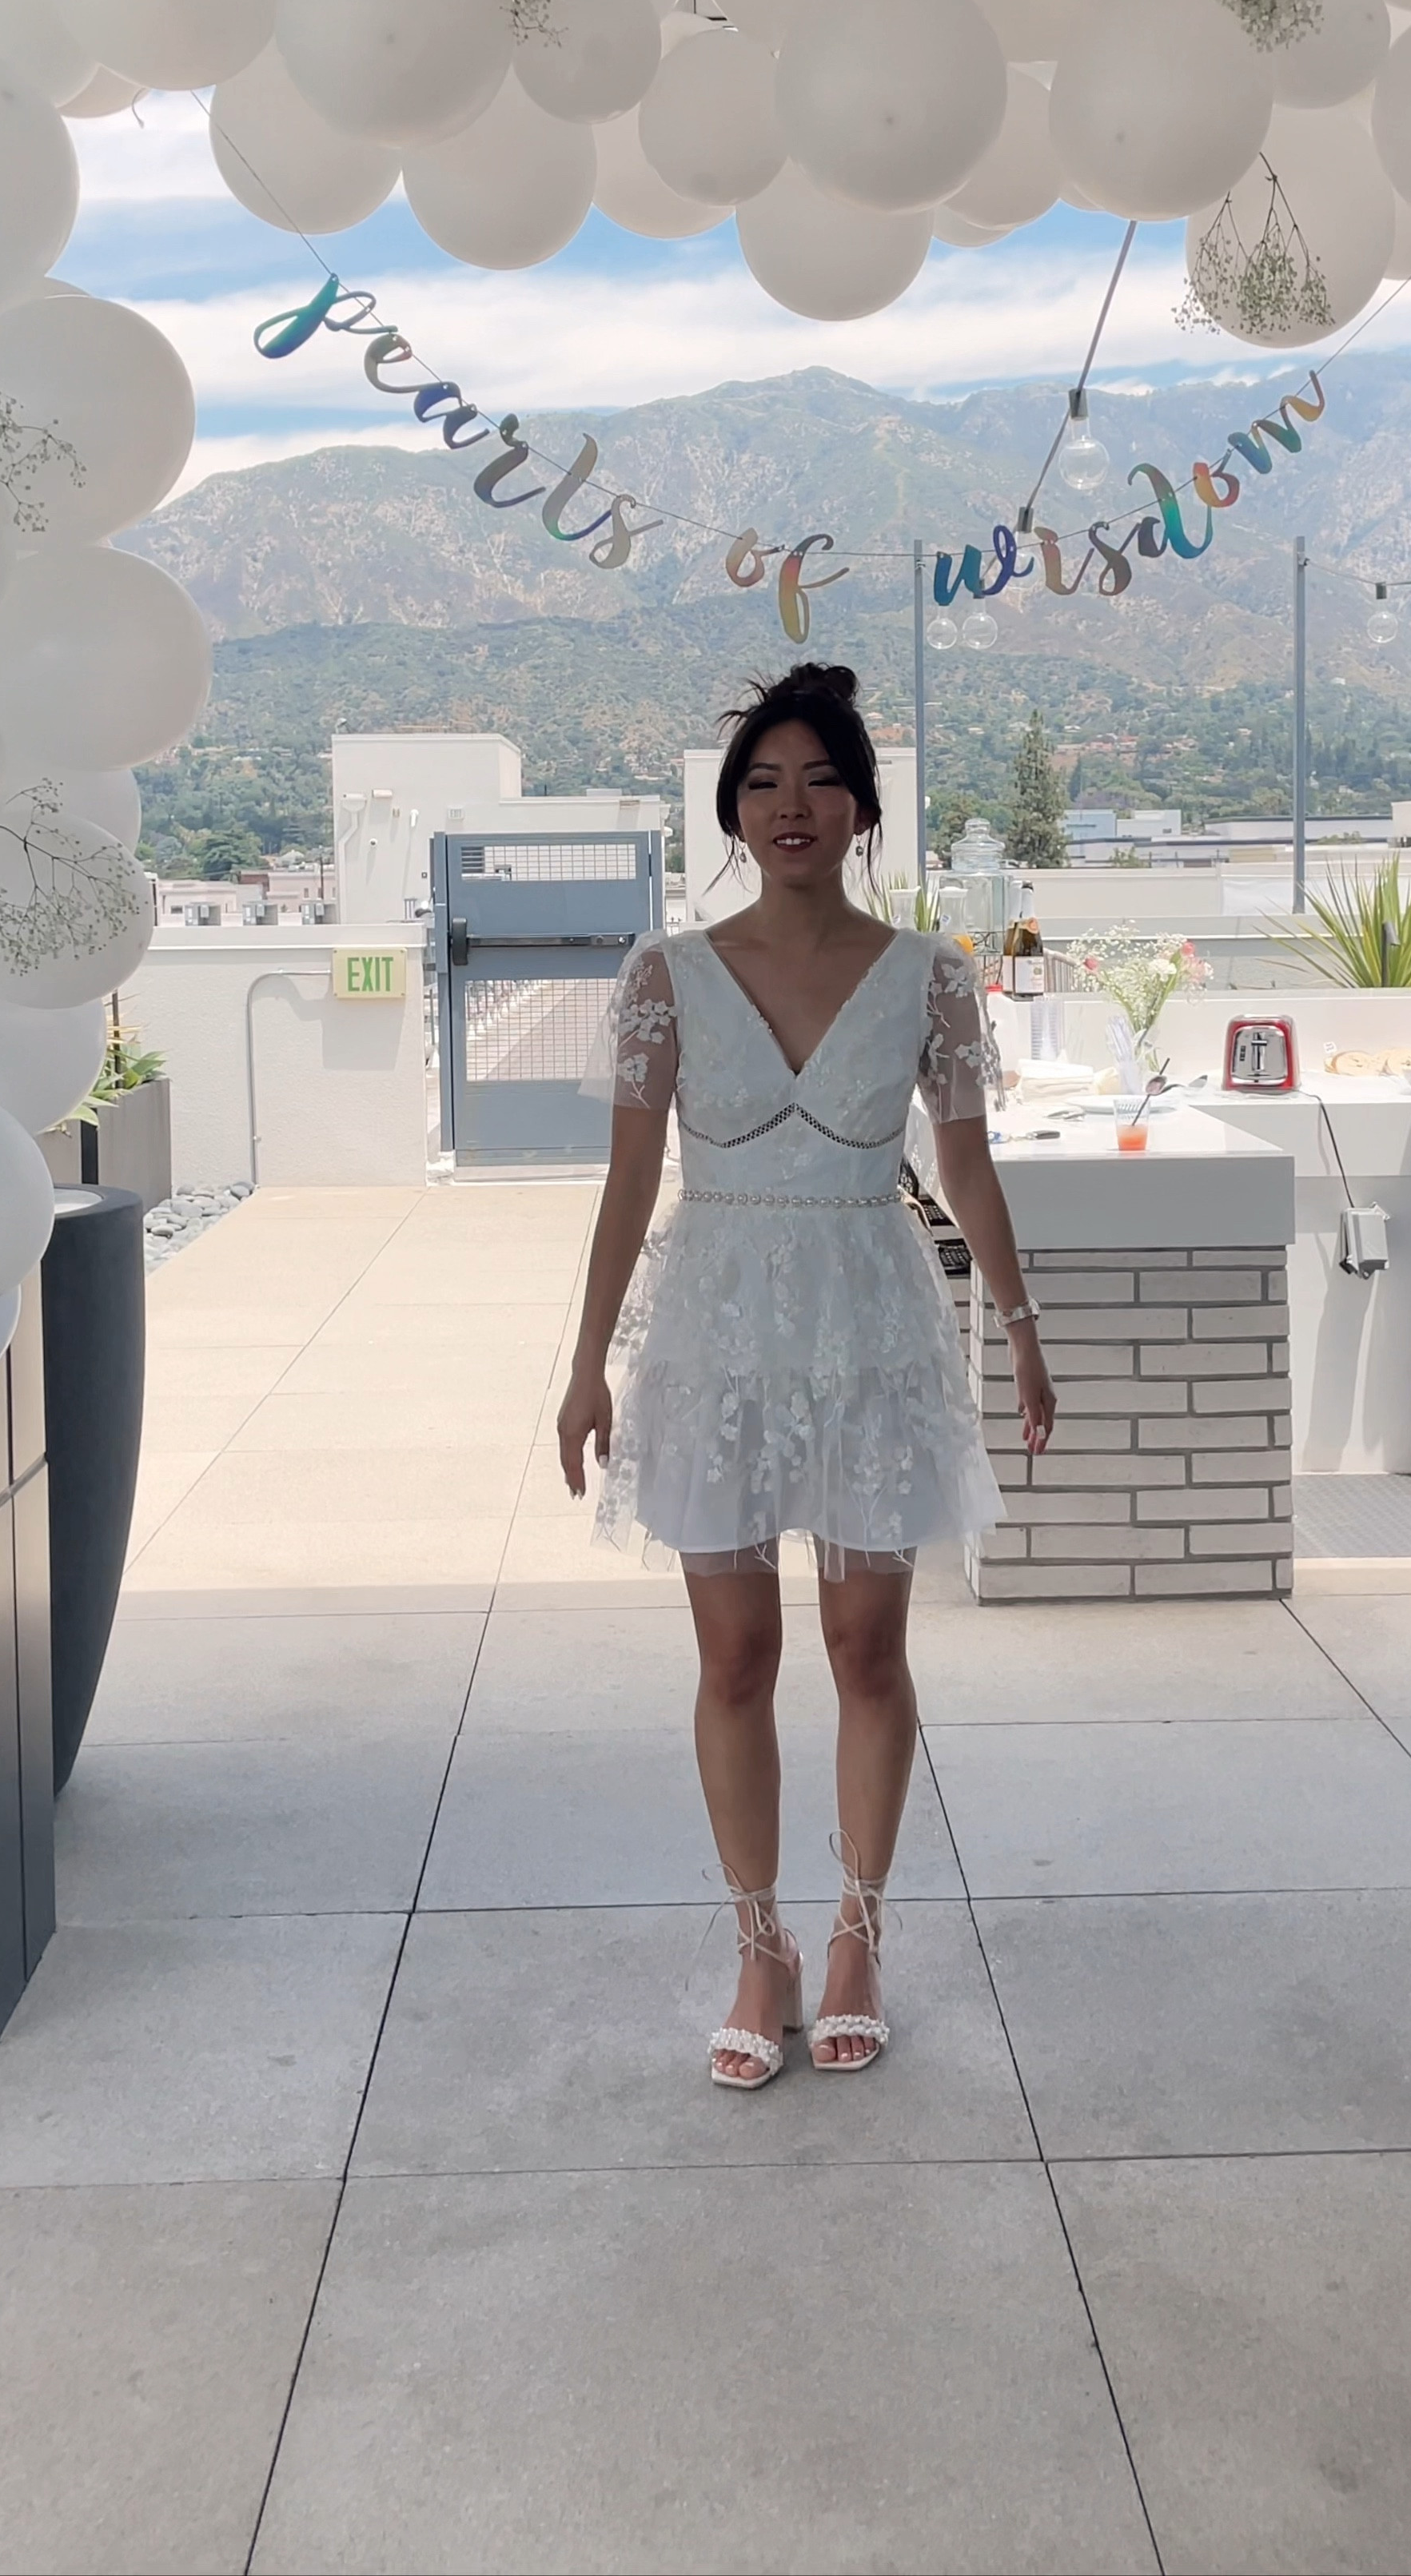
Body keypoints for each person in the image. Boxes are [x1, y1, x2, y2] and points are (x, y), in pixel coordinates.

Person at [556, 663, 1056, 2088]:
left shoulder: (932, 976)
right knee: (735, 1656)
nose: (791, 806)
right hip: (715, 1327)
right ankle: (757, 1942)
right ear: (733, 809)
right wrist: (588, 1365)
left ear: (860, 809)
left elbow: (964, 1165)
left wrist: (1019, 1330)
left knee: (866, 1650)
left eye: (818, 781)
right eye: (763, 783)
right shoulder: (665, 974)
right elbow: (626, 1180)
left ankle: (856, 1934)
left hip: (870, 1322)